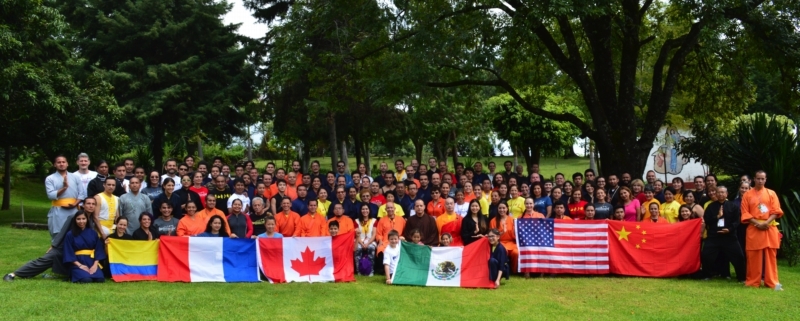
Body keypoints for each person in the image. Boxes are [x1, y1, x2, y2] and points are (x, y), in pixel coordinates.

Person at [4, 198, 99, 282]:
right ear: (83, 205)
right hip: (62, 248)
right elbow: (62, 232)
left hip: (77, 251)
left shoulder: (91, 220)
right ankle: (13, 274)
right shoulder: (74, 217)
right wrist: (53, 246)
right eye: (88, 203)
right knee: (43, 261)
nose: (91, 206)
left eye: (93, 204)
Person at [740, 171, 783, 290]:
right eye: (758, 178)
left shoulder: (771, 193)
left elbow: (776, 211)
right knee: (753, 255)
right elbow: (745, 213)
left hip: (769, 226)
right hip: (754, 227)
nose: (760, 181)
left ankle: (772, 282)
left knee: (770, 255)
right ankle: (753, 281)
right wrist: (757, 223)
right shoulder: (747, 195)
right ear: (754, 179)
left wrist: (766, 223)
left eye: (762, 179)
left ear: (765, 180)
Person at [702, 186, 746, 282]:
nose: (720, 194)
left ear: (726, 194)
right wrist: (717, 216)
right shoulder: (711, 207)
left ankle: (742, 277)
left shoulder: (733, 206)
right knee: (706, 255)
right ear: (716, 194)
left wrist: (729, 230)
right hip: (714, 236)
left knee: (738, 256)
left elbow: (737, 221)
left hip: (729, 236)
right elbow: (707, 220)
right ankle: (707, 275)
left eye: (722, 192)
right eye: (718, 192)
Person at [46, 155, 85, 239]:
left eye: (63, 162)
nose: (61, 164)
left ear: (67, 164)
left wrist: (75, 204)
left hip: (73, 209)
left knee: (74, 233)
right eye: (59, 162)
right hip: (58, 210)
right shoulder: (50, 178)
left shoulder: (75, 177)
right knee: (58, 234)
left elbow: (81, 194)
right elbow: (51, 195)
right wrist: (64, 187)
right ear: (54, 165)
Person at [62, 211, 106, 283]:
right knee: (86, 280)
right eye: (78, 219)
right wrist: (80, 266)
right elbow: (68, 252)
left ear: (87, 219)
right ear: (75, 220)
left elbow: (98, 249)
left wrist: (95, 265)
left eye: (83, 219)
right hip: (77, 262)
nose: (81, 221)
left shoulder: (93, 233)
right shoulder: (70, 234)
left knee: (100, 279)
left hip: (91, 261)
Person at [490, 201, 519, 273]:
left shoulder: (512, 220)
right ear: (497, 209)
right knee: (503, 251)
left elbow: (516, 235)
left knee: (516, 253)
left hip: (511, 243)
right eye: (500, 208)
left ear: (507, 209)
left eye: (503, 208)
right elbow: (492, 236)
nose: (502, 210)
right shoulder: (493, 221)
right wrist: (502, 232)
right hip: (499, 243)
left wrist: (514, 232)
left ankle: (514, 271)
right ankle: (503, 270)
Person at [355, 203, 377, 273]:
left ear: (369, 210)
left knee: (371, 248)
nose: (365, 211)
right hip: (359, 240)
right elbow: (357, 235)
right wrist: (362, 244)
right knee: (357, 248)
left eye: (366, 209)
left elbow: (374, 234)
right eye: (363, 209)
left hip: (370, 240)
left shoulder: (374, 220)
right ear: (360, 210)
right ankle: (359, 270)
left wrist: (367, 243)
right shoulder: (356, 221)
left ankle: (371, 270)